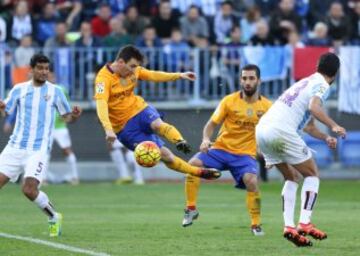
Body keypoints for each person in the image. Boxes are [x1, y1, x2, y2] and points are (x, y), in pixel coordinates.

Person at [255, 52, 346, 247]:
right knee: (312, 174)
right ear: (336, 72)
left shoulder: (305, 82)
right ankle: (305, 222)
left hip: (262, 130)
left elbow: (309, 125)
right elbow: (314, 107)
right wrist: (334, 125)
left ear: (317, 66)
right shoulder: (322, 84)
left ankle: (289, 227)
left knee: (292, 177)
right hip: (281, 130)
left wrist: (325, 137)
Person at [94, 45, 221, 180]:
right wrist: (108, 129)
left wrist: (179, 75)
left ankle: (179, 141)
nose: (134, 70)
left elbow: (153, 75)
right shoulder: (103, 79)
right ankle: (198, 172)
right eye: (132, 66)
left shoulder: (134, 70)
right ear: (120, 62)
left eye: (136, 67)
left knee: (157, 124)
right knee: (166, 156)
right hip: (124, 128)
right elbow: (101, 104)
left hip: (139, 109)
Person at [182, 64, 272, 236]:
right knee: (192, 165)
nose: (247, 82)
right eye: (244, 78)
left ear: (258, 81)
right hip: (221, 149)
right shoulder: (229, 101)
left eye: (251, 78)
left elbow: (272, 133)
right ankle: (191, 208)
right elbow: (211, 125)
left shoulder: (268, 107)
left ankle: (256, 224)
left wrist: (270, 155)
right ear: (240, 80)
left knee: (252, 182)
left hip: (245, 155)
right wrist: (206, 139)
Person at [0, 53, 82, 237]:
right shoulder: (19, 89)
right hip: (15, 147)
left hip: (38, 150)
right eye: (40, 68)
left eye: (47, 68)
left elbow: (67, 117)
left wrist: (74, 116)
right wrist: (2, 108)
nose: (44, 72)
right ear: (31, 70)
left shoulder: (55, 91)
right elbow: (7, 111)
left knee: (28, 189)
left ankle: (54, 216)